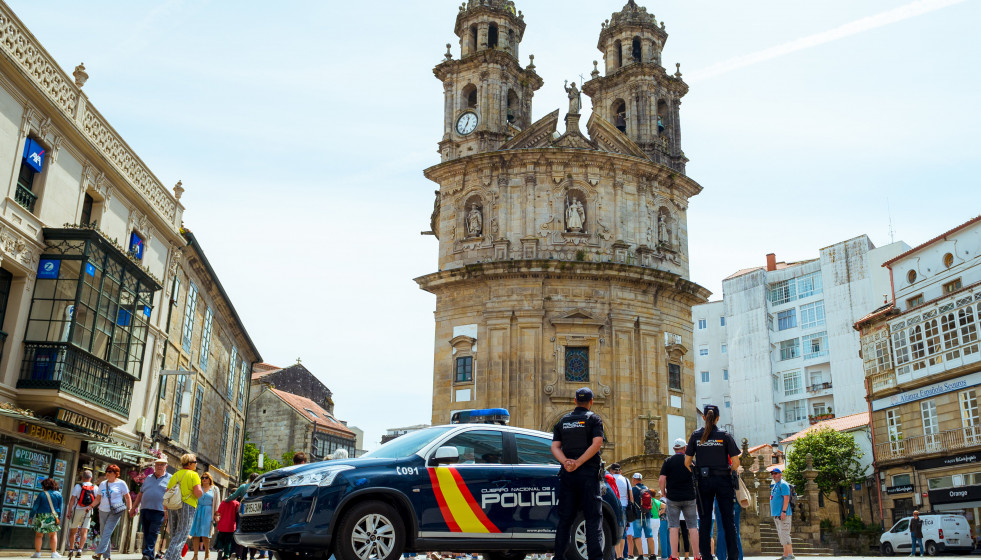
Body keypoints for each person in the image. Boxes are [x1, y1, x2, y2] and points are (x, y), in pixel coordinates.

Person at [551, 387, 605, 560]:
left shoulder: (562, 421)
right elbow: (597, 443)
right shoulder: (594, 419)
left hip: (568, 475)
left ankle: (559, 557)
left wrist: (566, 462)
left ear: (575, 401)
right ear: (591, 402)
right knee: (592, 518)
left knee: (565, 519)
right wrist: (579, 462)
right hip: (588, 474)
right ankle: (595, 557)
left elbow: (554, 447)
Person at [659, 438, 699, 560]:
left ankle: (674, 556)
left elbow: (661, 479)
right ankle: (697, 556)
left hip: (673, 498)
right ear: (685, 448)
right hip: (689, 497)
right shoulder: (690, 461)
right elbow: (698, 479)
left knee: (673, 527)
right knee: (692, 527)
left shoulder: (668, 461)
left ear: (674, 449)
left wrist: (664, 492)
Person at [163, 454, 204, 560]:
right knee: (182, 533)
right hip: (187, 505)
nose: (196, 464)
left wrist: (165, 509)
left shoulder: (175, 475)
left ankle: (176, 557)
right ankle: (168, 556)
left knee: (174, 532)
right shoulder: (193, 475)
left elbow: (167, 492)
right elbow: (198, 492)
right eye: (195, 462)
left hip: (173, 505)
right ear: (189, 464)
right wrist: (201, 493)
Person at [131, 458, 171, 560]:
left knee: (153, 532)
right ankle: (150, 556)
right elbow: (140, 494)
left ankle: (147, 553)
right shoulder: (148, 477)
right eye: (157, 464)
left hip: (160, 510)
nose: (159, 466)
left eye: (162, 465)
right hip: (145, 509)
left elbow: (171, 496)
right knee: (147, 533)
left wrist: (168, 511)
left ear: (166, 466)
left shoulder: (170, 478)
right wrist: (133, 507)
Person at [93, 464, 132, 560]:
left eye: (110, 472)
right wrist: (90, 506)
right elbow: (98, 499)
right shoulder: (102, 484)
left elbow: (127, 497)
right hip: (102, 510)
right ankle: (107, 556)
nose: (107, 473)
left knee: (107, 532)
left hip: (115, 511)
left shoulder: (121, 483)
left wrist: (130, 508)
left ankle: (99, 553)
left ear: (116, 474)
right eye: (106, 471)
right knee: (104, 533)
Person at [29, 477, 63, 558]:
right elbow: (60, 508)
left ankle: (37, 553)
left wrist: (31, 517)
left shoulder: (42, 494)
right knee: (53, 535)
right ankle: (54, 553)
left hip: (41, 516)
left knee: (39, 535)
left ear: (45, 486)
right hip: (53, 516)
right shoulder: (58, 494)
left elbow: (35, 507)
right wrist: (59, 517)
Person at [67, 470, 97, 558]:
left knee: (73, 530)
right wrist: (91, 507)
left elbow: (72, 500)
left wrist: (69, 512)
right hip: (88, 510)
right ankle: (80, 549)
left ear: (82, 477)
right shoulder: (95, 487)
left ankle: (71, 549)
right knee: (84, 531)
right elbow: (98, 499)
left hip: (77, 509)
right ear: (91, 478)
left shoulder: (78, 486)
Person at [631, 473, 658, 560]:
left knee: (637, 536)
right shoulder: (647, 489)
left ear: (634, 480)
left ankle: (641, 555)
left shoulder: (633, 489)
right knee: (649, 535)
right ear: (641, 480)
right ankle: (653, 555)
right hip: (647, 515)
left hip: (637, 516)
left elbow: (631, 502)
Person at [609, 463, 633, 560]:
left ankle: (616, 555)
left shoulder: (610, 479)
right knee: (623, 532)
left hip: (614, 506)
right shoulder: (626, 480)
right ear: (620, 471)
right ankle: (621, 555)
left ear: (611, 470)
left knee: (614, 530)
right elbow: (631, 497)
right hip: (624, 507)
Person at [769, 468, 794, 560]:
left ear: (780, 474)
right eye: (772, 474)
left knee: (785, 533)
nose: (774, 475)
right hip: (777, 514)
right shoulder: (776, 485)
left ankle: (791, 555)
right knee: (781, 534)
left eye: (775, 473)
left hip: (783, 514)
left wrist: (783, 511)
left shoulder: (783, 484)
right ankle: (785, 554)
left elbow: (786, 498)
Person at [190, 473, 216, 560]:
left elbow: (217, 503)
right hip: (197, 511)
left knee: (206, 534)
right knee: (196, 534)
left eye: (206, 477)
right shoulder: (198, 488)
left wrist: (216, 514)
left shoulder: (215, 489)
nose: (204, 479)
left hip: (208, 512)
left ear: (210, 479)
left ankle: (207, 553)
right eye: (202, 478)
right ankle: (195, 555)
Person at [214, 494, 240, 560]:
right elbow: (238, 514)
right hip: (231, 526)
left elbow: (218, 512)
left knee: (220, 539)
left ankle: (220, 549)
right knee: (228, 542)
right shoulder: (237, 503)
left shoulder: (223, 502)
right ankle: (226, 555)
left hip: (222, 524)